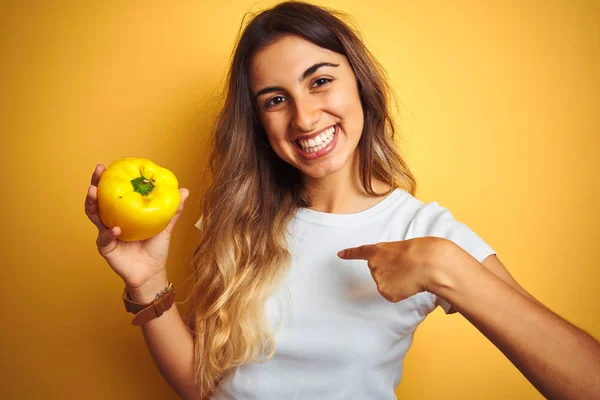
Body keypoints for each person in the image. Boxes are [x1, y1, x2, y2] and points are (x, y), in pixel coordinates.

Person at [84, 1, 600, 399]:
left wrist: (445, 266)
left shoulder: (423, 232)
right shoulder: (237, 222)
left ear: (360, 86)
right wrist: (146, 281)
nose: (305, 119)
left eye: (321, 81)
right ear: (259, 123)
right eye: (276, 99)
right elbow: (205, 387)